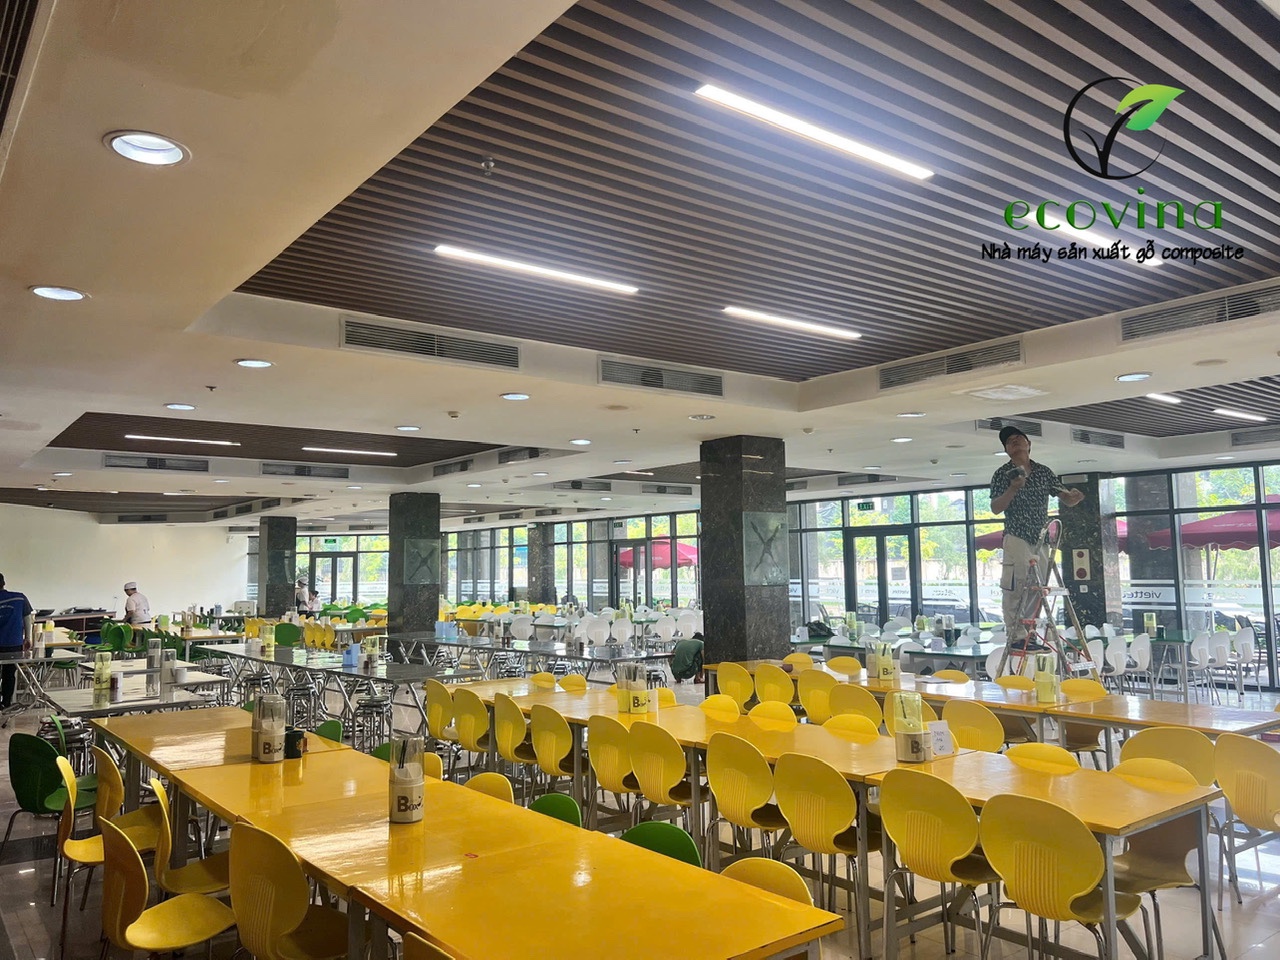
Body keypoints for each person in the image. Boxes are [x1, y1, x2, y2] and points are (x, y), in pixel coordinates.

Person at [990, 426, 1084, 647]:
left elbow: (1066, 498)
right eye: (1009, 441)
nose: (1014, 442)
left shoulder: (1043, 472)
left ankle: (1030, 633)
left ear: (1029, 444)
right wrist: (1013, 488)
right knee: (1017, 585)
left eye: (1018, 438)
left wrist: (1074, 497)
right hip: (1017, 535)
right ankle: (1016, 636)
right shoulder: (1002, 474)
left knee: (1037, 587)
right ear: (1006, 450)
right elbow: (995, 507)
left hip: (1041, 537)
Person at [0, 573, 35, 710]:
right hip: (13, 644)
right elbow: (27, 617)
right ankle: (6, 703)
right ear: (4, 583)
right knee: (9, 674)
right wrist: (28, 638)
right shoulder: (19, 598)